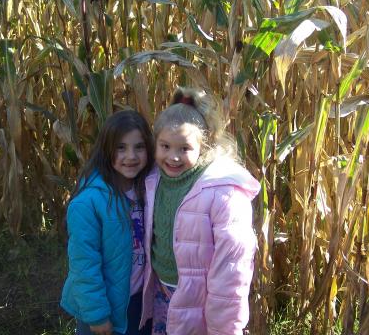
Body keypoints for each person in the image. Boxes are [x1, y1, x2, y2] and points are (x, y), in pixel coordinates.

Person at [139, 88, 260, 335]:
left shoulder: (223, 192)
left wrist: (224, 329)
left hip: (199, 302)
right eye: (165, 146)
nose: (173, 157)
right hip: (162, 292)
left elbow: (231, 270)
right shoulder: (154, 178)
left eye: (184, 149)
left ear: (204, 147)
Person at [61, 110, 154, 335]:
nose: (131, 156)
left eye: (139, 147)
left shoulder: (149, 189)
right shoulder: (88, 203)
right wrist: (97, 315)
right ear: (106, 149)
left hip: (139, 301)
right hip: (104, 306)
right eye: (120, 148)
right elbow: (84, 265)